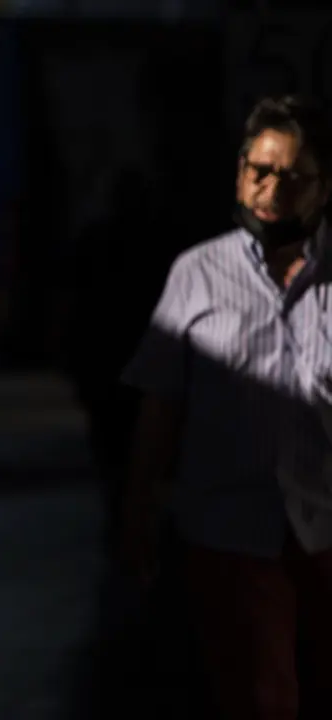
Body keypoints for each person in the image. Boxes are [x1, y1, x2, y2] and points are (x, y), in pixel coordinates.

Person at [120, 94, 332, 719]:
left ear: (322, 186)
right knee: (258, 701)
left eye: (288, 176)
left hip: (325, 529)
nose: (268, 188)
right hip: (229, 532)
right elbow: (160, 404)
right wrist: (137, 512)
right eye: (257, 170)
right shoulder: (197, 274)